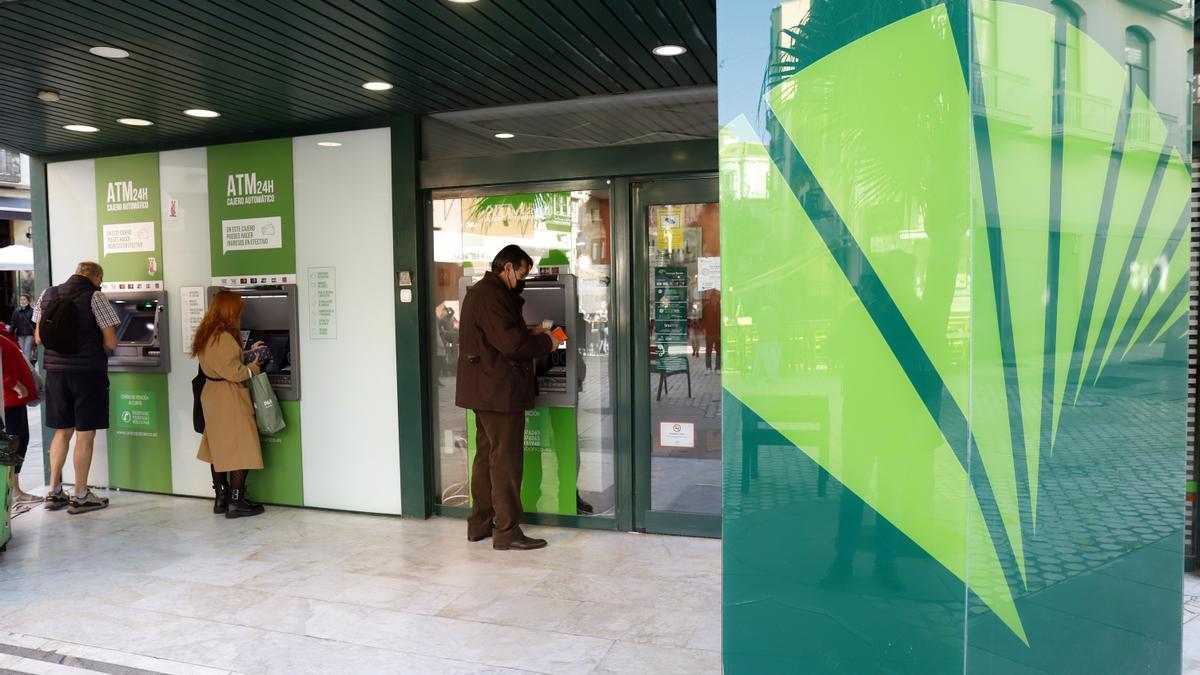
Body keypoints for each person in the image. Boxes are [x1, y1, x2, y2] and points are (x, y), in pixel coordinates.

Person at [456, 245, 561, 551]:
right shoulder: (492, 294)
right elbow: (510, 345)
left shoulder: (485, 292)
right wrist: (546, 342)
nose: (523, 279)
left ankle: (480, 524)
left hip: (486, 390)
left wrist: (530, 335)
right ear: (508, 267)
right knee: (506, 462)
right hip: (498, 392)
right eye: (522, 272)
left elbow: (496, 338)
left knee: (487, 457)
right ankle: (507, 531)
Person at [34, 261, 118, 514]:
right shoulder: (96, 297)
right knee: (85, 432)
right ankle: (80, 494)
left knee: (63, 431)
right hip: (87, 374)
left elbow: (38, 337)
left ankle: (54, 491)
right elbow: (111, 341)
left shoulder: (48, 293)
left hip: (56, 374)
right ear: (96, 277)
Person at [192, 290, 266, 519]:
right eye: (238, 311)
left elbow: (222, 362)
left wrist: (247, 353)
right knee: (240, 447)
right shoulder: (222, 336)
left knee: (218, 448)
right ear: (229, 311)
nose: (240, 315)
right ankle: (237, 501)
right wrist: (253, 368)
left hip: (213, 394)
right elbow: (234, 372)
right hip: (228, 396)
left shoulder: (209, 333)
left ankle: (221, 499)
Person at [0, 322, 39, 505]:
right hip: (9, 399)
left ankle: (14, 489)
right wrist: (15, 384)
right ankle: (13, 491)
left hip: (13, 399)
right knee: (12, 445)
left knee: (20, 442)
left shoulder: (2, 330)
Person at [10, 294, 35, 364]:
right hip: (20, 334)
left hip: (29, 334)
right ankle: (24, 365)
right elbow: (13, 322)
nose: (22, 301)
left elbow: (34, 323)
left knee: (27, 350)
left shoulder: (32, 311)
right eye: (21, 299)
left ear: (28, 301)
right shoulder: (16, 311)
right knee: (21, 350)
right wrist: (10, 332)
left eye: (24, 299)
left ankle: (28, 366)